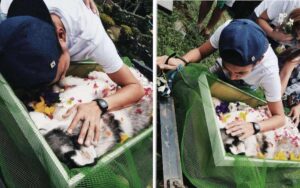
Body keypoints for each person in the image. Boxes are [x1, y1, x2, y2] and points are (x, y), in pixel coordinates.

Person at [0, 0, 145, 146]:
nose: (62, 78)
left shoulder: (93, 38)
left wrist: (99, 105)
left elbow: (135, 88)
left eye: (59, 74)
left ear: (61, 36)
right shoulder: (7, 16)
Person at [157, 19, 285, 140]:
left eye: (241, 72)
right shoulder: (227, 31)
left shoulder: (269, 70)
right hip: (218, 72)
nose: (233, 76)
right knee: (194, 97)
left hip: (244, 87)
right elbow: (201, 52)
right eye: (229, 69)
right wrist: (182, 60)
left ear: (259, 61)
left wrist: (254, 126)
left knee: (216, 124)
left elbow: (280, 117)